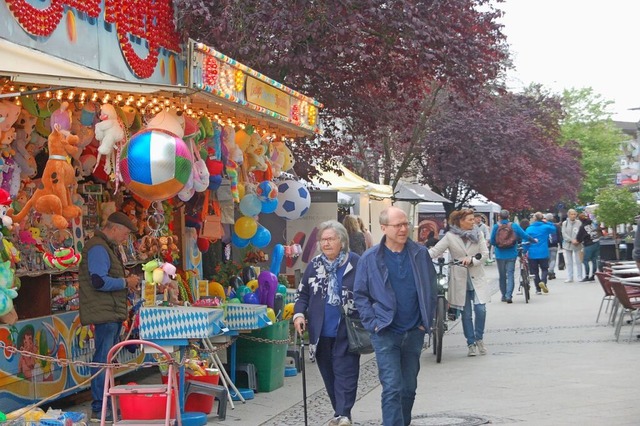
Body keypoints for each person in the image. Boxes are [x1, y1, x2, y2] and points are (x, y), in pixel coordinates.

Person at [354, 206, 437, 426]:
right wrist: (373, 324)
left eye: (405, 224)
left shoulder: (420, 254)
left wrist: (425, 322)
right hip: (385, 332)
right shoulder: (370, 258)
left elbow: (431, 288)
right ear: (383, 228)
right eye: (397, 225)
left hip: (414, 331)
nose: (403, 229)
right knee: (392, 387)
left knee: (409, 388)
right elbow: (360, 295)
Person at [293, 220, 361, 426]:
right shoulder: (314, 265)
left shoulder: (355, 263)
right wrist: (298, 315)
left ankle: (344, 413)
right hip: (320, 330)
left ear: (342, 241)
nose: (326, 243)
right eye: (323, 240)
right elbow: (302, 294)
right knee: (328, 373)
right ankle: (339, 411)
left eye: (331, 239)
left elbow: (367, 290)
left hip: (346, 328)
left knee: (346, 372)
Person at [79, 212, 140, 421]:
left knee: (107, 360)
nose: (125, 238)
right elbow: (98, 281)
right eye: (125, 233)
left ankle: (106, 404)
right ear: (114, 228)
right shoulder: (98, 247)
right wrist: (125, 282)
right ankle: (99, 408)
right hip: (103, 313)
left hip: (110, 311)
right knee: (103, 361)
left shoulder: (106, 247)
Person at [430, 209, 490, 356]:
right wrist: (418, 254)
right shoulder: (450, 236)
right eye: (470, 219)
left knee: (481, 309)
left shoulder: (478, 234)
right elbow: (435, 251)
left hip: (476, 276)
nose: (473, 222)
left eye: (473, 219)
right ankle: (470, 343)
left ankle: (479, 338)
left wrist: (472, 260)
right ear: (460, 222)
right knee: (466, 314)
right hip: (459, 277)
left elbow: (485, 254)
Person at [490, 209, 535, 303]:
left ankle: (503, 295)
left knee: (502, 276)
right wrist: (533, 240)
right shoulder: (514, 226)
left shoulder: (496, 227)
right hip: (511, 253)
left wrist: (499, 245)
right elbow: (524, 235)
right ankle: (509, 295)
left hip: (500, 254)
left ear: (499, 217)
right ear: (509, 216)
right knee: (510, 274)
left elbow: (492, 241)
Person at [525, 212, 558, 295]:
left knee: (534, 271)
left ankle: (538, 289)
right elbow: (554, 229)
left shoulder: (529, 229)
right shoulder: (545, 227)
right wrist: (547, 222)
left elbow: (525, 240)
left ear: (534, 219)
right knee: (544, 269)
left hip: (532, 253)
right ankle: (543, 281)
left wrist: (525, 250)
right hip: (543, 252)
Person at [576, 213, 600, 281]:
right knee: (594, 260)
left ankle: (586, 276)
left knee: (585, 260)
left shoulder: (582, 227)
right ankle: (593, 276)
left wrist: (577, 241)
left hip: (589, 244)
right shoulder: (591, 224)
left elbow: (579, 238)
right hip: (596, 242)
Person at [562, 209, 584, 282]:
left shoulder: (579, 223)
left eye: (574, 214)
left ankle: (579, 276)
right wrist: (571, 240)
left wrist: (578, 240)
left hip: (577, 244)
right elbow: (564, 233)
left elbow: (581, 232)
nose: (573, 216)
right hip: (567, 245)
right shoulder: (565, 223)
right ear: (568, 215)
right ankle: (570, 277)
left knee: (578, 261)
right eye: (572, 214)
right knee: (569, 262)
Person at [545, 213, 562, 280]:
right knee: (553, 259)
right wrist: (561, 244)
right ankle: (551, 271)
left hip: (546, 245)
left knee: (548, 260)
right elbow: (559, 235)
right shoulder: (556, 226)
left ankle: (550, 271)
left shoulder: (544, 226)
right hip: (554, 245)